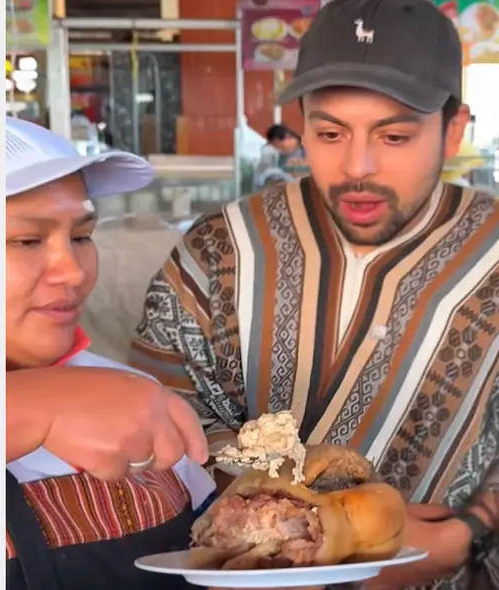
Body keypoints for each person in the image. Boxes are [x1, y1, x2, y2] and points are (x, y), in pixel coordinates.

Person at [129, 1, 499, 588]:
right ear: (299, 122)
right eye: (329, 132)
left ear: (454, 130)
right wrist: (279, 523)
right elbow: (156, 416)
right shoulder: (220, 249)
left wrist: (466, 535)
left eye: (395, 135)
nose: (358, 166)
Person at [4, 116, 215, 589]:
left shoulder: (133, 395)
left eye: (81, 236)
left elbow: (210, 555)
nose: (73, 272)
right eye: (27, 241)